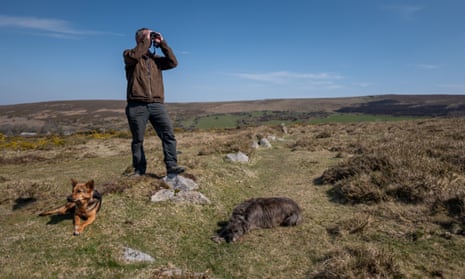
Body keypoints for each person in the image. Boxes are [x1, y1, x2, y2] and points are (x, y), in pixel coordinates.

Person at [123, 27, 184, 178]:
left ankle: (171, 166)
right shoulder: (129, 55)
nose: (150, 38)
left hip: (157, 104)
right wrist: (146, 40)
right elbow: (137, 54)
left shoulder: (155, 60)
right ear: (139, 39)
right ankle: (139, 170)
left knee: (168, 135)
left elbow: (173, 62)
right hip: (136, 105)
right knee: (138, 140)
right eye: (147, 36)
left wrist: (162, 43)